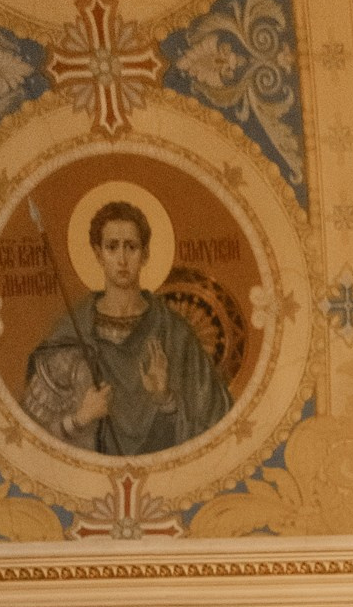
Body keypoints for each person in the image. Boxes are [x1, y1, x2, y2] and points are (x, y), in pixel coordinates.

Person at [20, 195, 231, 455]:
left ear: (145, 254)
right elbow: (28, 435)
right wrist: (80, 419)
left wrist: (165, 399)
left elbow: (217, 425)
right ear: (98, 254)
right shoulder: (72, 333)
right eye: (112, 247)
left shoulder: (175, 334)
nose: (122, 258)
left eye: (131, 247)